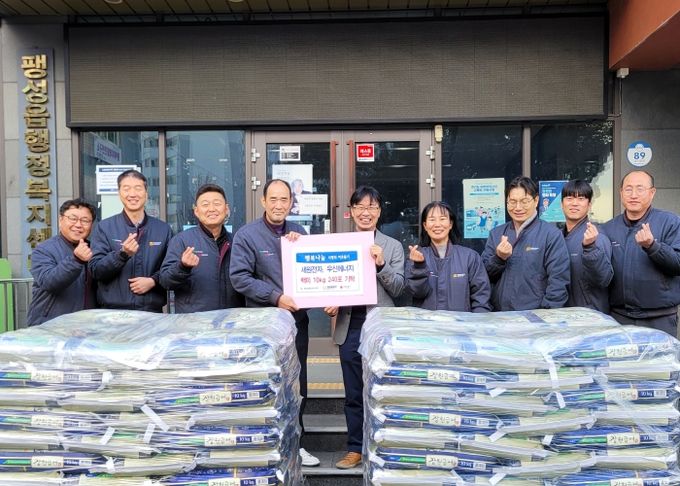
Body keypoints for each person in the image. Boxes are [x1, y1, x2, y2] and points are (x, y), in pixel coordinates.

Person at [229, 178, 320, 467]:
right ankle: (266, 444)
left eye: (284, 200)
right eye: (274, 199)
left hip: (297, 323)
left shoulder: (299, 232)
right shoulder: (247, 235)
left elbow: (312, 272)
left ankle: (297, 445)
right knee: (267, 381)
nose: (279, 205)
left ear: (291, 203)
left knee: (298, 382)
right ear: (263, 201)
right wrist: (275, 297)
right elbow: (239, 277)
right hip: (265, 325)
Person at [323, 186, 405, 469]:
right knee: (353, 393)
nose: (365, 212)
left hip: (379, 328)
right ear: (351, 211)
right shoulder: (341, 244)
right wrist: (330, 301)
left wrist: (381, 264)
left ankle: (385, 446)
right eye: (359, 207)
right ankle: (355, 448)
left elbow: (399, 288)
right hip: (349, 327)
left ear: (379, 211)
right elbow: (328, 280)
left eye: (371, 207)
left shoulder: (392, 246)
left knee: (383, 389)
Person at [602, 170, 680, 335]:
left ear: (652, 193)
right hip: (619, 318)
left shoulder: (670, 222)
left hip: (660, 318)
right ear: (621, 193)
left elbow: (677, 264)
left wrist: (653, 246)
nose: (633, 195)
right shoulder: (609, 228)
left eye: (640, 189)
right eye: (628, 189)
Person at [482, 176, 570, 311]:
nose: (518, 207)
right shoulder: (496, 234)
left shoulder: (551, 235)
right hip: (500, 316)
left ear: (536, 200)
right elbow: (483, 276)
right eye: (512, 202)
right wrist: (499, 258)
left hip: (535, 316)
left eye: (524, 201)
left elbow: (559, 281)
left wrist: (546, 314)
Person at [90, 169, 173, 312]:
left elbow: (172, 268)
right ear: (119, 193)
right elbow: (96, 271)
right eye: (126, 188)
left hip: (151, 312)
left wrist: (153, 281)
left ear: (146, 194)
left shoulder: (163, 229)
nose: (132, 194)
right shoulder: (104, 227)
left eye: (138, 188)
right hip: (112, 313)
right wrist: (122, 255)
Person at [159, 184, 243, 312]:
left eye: (217, 204)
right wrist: (182, 267)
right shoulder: (182, 241)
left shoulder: (237, 241)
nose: (212, 209)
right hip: (194, 320)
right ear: (196, 211)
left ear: (226, 209)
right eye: (205, 204)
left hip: (231, 318)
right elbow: (165, 281)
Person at [406, 201, 491, 312]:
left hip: (461, 323)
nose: (437, 224)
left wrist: (477, 321)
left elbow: (481, 298)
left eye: (442, 219)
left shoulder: (470, 257)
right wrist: (419, 266)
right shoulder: (416, 256)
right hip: (427, 323)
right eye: (432, 219)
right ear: (425, 226)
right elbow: (417, 293)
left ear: (450, 224)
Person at [26, 199, 97, 326]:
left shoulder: (95, 250)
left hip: (87, 325)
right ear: (60, 220)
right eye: (73, 219)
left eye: (85, 220)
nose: (78, 225)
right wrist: (76, 260)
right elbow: (49, 282)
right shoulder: (43, 250)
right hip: (51, 324)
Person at [560, 180, 613, 313]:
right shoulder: (557, 236)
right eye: (569, 198)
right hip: (561, 313)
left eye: (581, 198)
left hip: (589, 314)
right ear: (561, 204)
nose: (574, 203)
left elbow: (604, 279)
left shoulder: (596, 236)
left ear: (589, 205)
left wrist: (590, 248)